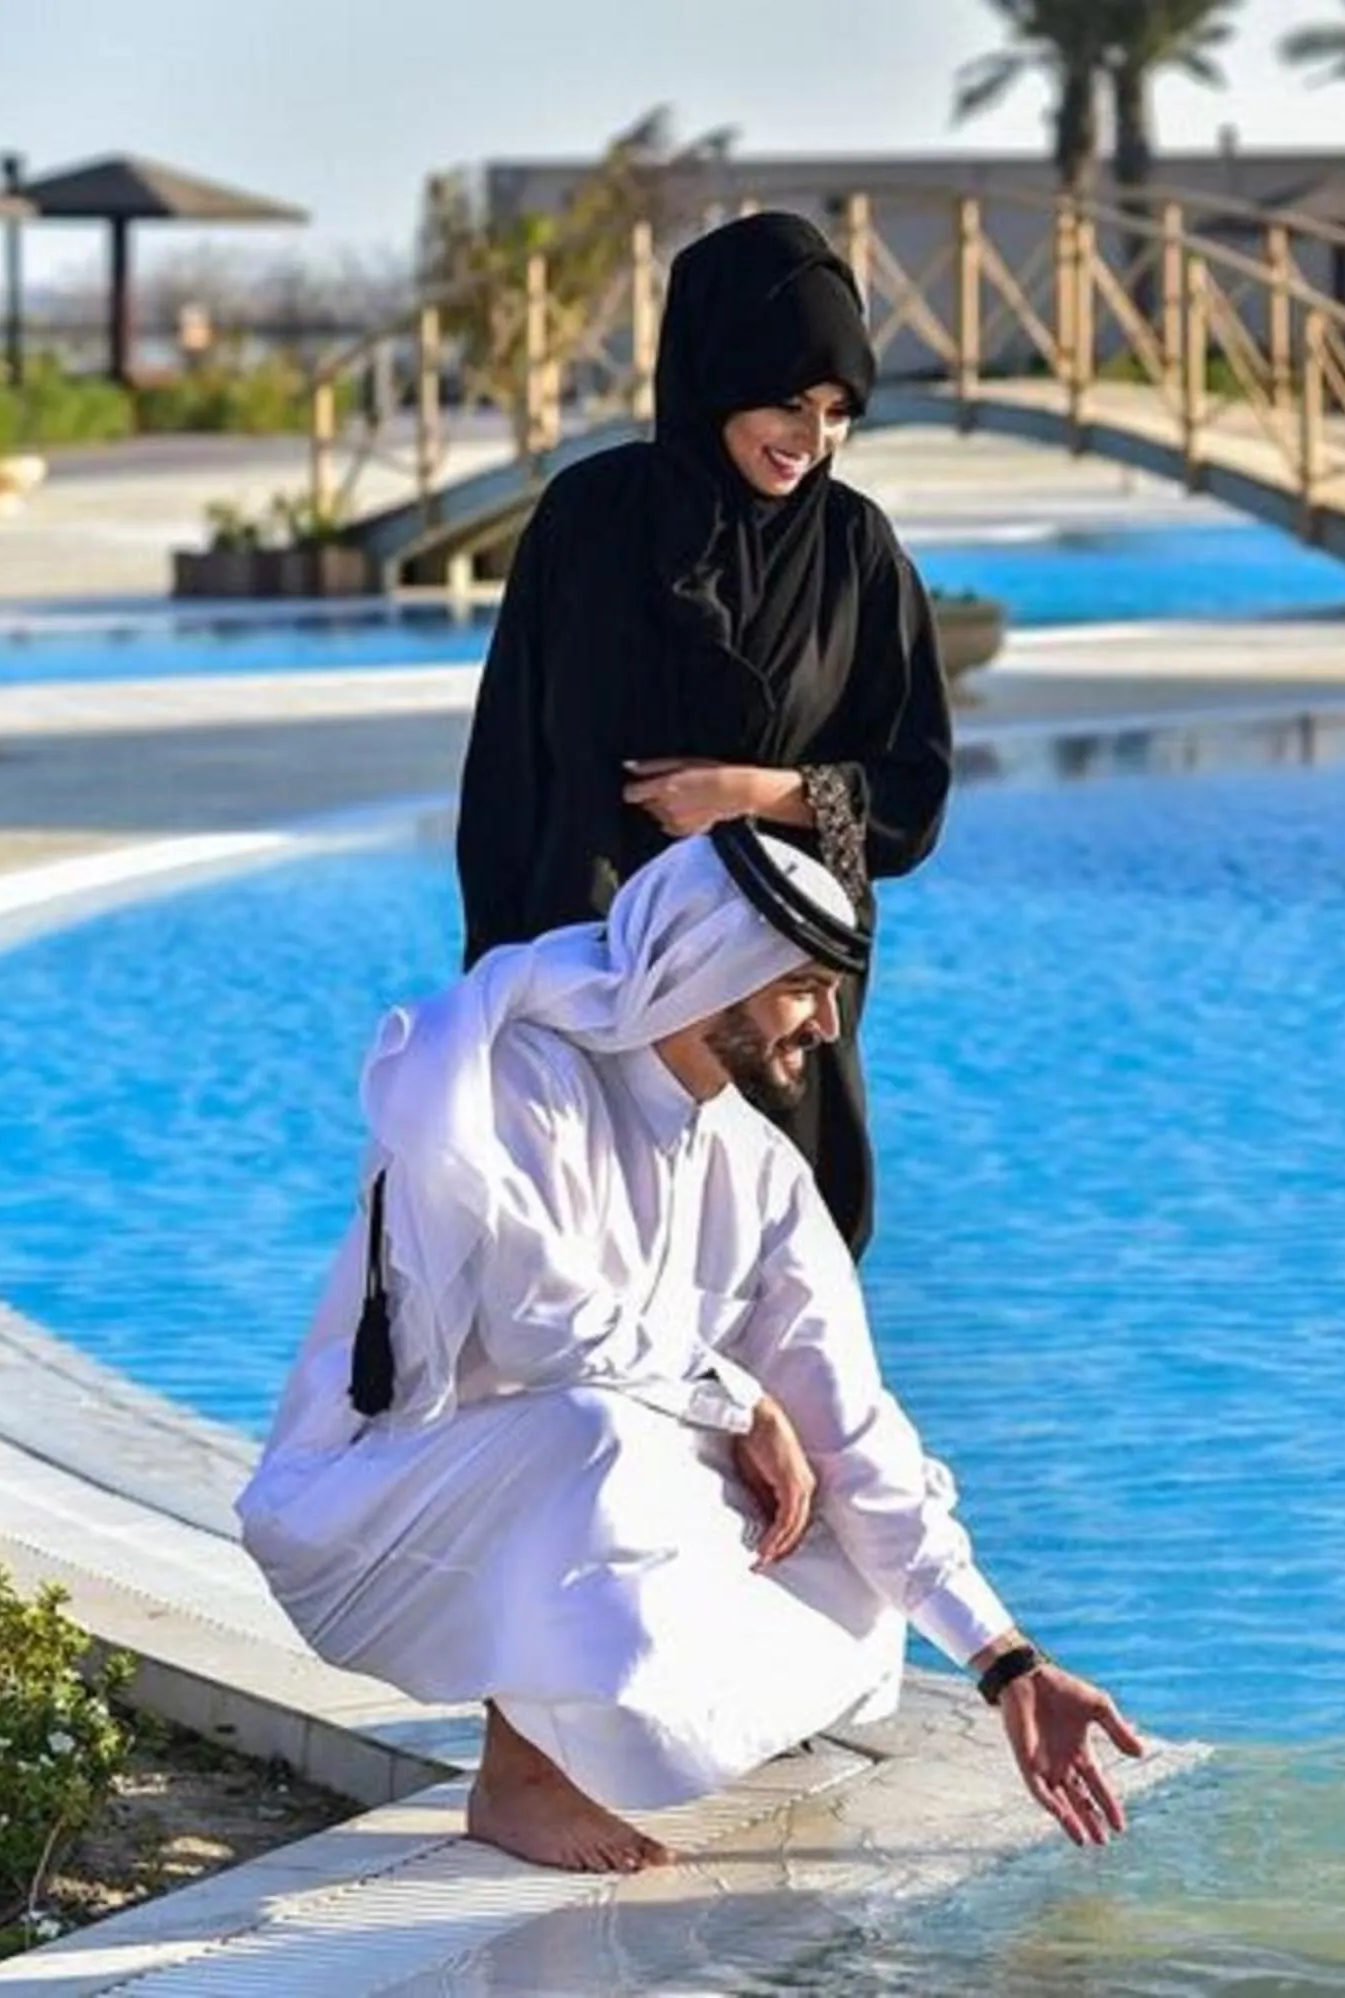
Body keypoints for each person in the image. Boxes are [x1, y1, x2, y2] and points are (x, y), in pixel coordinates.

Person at [238, 825, 1139, 1873]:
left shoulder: (758, 1170)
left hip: (550, 1495)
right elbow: (536, 1317)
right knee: (600, 1430)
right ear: (717, 973)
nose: (828, 1024)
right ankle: (518, 1776)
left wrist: (1006, 1662)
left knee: (841, 1533)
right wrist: (739, 1403)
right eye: (803, 988)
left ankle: (617, 1736)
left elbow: (851, 1428)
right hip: (375, 1512)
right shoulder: (526, 1079)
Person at [453, 209, 953, 1256]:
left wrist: (748, 792)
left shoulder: (856, 552)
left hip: (775, 1015)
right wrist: (494, 998)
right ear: (717, 376)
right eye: (788, 402)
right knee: (592, 1283)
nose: (811, 438)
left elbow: (911, 799)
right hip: (593, 987)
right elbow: (507, 776)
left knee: (780, 1284)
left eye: (838, 412)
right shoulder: (590, 522)